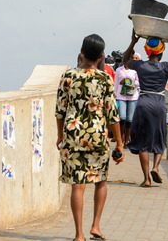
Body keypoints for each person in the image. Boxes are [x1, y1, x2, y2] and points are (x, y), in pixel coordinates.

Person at [56, 34, 124, 241]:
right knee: (100, 181)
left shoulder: (68, 76)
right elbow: (112, 114)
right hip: (98, 136)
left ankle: (79, 235)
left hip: (73, 135)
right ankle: (95, 226)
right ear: (102, 56)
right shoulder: (105, 79)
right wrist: (120, 143)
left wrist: (60, 137)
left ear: (82, 53)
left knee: (78, 185)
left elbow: (60, 110)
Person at [122, 29, 168, 187]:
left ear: (147, 51)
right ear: (162, 52)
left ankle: (146, 179)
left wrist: (133, 41)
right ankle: (156, 167)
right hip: (159, 104)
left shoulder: (140, 65)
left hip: (143, 103)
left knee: (142, 143)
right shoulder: (166, 67)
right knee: (159, 138)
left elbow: (124, 60)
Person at [114, 52, 140, 148]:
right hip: (121, 96)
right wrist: (114, 96)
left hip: (132, 96)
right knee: (122, 117)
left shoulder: (135, 70)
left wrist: (128, 82)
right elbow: (115, 83)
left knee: (130, 119)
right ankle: (120, 138)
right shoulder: (118, 70)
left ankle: (127, 140)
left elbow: (138, 82)